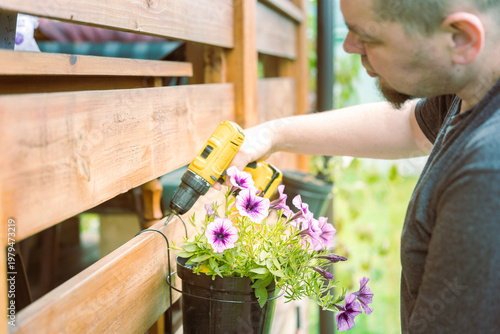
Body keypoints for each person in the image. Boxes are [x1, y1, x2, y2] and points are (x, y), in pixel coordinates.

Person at [224, 0, 500, 332]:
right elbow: (409, 126)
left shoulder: (487, 174)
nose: (347, 45)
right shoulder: (470, 90)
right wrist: (272, 134)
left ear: (462, 39)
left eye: (366, 36)